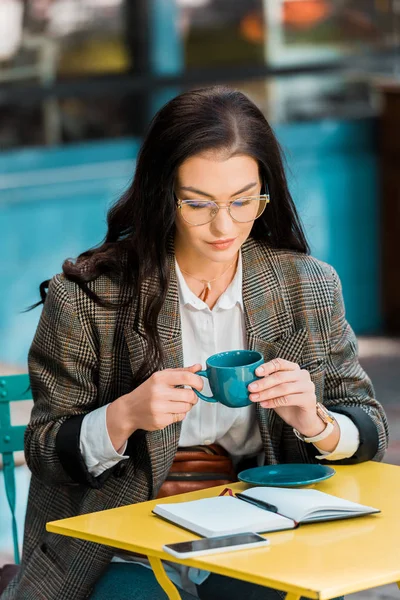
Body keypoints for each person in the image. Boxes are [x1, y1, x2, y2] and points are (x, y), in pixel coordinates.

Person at [1, 86, 388, 600]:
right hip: (118, 542)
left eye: (243, 200)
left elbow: (370, 428)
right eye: (198, 203)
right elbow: (46, 450)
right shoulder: (90, 296)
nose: (224, 225)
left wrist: (315, 420)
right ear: (163, 193)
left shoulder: (306, 286)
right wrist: (124, 416)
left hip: (257, 533)